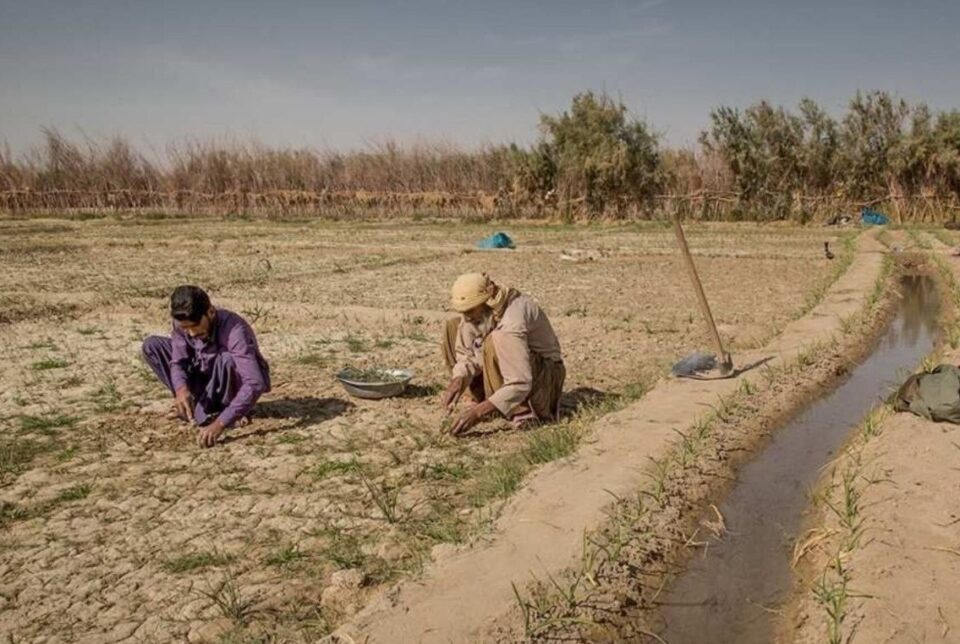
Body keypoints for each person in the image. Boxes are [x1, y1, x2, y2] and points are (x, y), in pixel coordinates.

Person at [141, 285, 271, 447]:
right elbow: (178, 362)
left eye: (196, 328)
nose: (191, 334)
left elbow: (255, 382)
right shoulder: (183, 324)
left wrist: (220, 424)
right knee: (152, 345)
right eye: (185, 328)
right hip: (203, 378)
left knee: (227, 359)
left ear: (210, 312)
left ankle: (231, 411)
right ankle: (190, 405)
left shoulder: (234, 329)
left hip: (226, 384)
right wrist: (181, 389)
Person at [441, 273, 565, 435]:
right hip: (512, 368)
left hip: (542, 380)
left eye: (470, 311)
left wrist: (478, 413)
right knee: (453, 326)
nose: (467, 317)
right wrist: (459, 378)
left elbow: (520, 382)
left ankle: (521, 411)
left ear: (487, 301)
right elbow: (468, 354)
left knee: (494, 341)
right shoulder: (482, 312)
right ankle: (483, 398)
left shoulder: (512, 320)